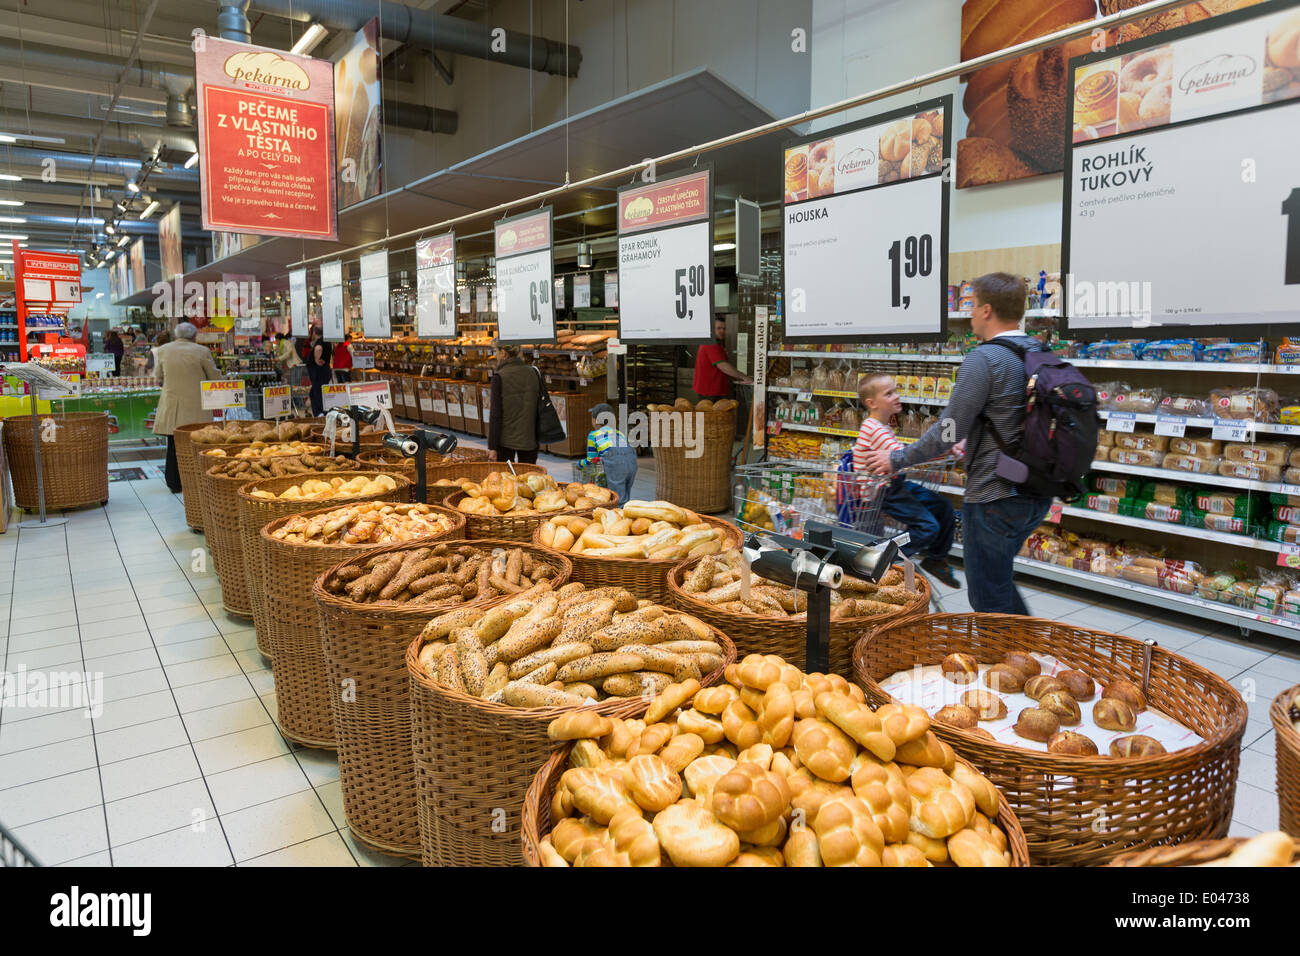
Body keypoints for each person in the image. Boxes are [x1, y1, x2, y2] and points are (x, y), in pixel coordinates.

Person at [862, 272, 1051, 615]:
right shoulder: (1040, 352)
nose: (971, 314)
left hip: (996, 493)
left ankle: (1009, 661)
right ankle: (1027, 654)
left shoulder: (985, 358)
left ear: (987, 310)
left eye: (973, 306)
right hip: (1036, 492)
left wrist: (898, 458)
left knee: (988, 596)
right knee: (1000, 582)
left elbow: (948, 430)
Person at [852, 372, 958, 587]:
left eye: (895, 391)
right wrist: (943, 450)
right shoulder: (873, 428)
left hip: (896, 484)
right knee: (928, 527)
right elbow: (903, 458)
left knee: (944, 507)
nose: (896, 396)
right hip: (882, 491)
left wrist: (945, 450)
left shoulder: (883, 426)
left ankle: (936, 559)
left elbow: (902, 456)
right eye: (888, 393)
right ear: (871, 403)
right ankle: (881, 557)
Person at [151, 322, 221, 493]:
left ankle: (174, 483)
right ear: (194, 336)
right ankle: (196, 480)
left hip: (172, 403)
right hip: (196, 404)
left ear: (176, 335)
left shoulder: (163, 350)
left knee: (173, 444)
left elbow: (158, 376)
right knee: (197, 443)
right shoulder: (202, 351)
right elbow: (213, 376)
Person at [487, 342, 542, 463]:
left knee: (506, 479)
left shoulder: (499, 377)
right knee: (529, 478)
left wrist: (493, 447)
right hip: (530, 437)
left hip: (505, 440)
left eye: (496, 352)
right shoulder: (533, 373)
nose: (495, 355)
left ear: (503, 353)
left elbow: (495, 415)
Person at [587, 403, 637, 505]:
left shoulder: (594, 435)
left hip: (616, 464)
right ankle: (627, 513)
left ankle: (620, 516)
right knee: (625, 496)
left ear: (595, 421)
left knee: (617, 500)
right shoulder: (619, 433)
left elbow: (591, 459)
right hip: (632, 461)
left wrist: (580, 465)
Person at [693, 316, 752, 400]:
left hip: (713, 391)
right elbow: (723, 366)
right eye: (719, 328)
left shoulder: (716, 345)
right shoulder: (710, 344)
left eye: (724, 328)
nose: (722, 331)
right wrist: (744, 377)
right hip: (710, 392)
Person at [306, 329, 333, 415]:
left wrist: (316, 359)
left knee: (317, 393)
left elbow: (318, 348)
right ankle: (320, 413)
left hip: (318, 372)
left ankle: (321, 413)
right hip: (323, 371)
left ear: (314, 333)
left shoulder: (320, 342)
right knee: (314, 393)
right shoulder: (327, 341)